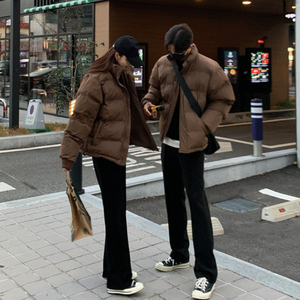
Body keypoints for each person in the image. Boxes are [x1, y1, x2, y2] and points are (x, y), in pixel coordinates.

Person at [141, 24, 235, 299]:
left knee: (198, 205)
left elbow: (224, 99)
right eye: (170, 53)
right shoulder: (162, 63)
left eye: (178, 53)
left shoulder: (209, 68)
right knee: (172, 199)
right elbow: (153, 89)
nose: (174, 57)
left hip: (192, 146)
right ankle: (179, 254)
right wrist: (148, 102)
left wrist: (204, 128)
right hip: (168, 145)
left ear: (189, 47)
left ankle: (206, 274)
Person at [60, 35, 157, 296]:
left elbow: (127, 113)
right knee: (116, 218)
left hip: (117, 153)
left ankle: (112, 268)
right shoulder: (96, 80)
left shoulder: (119, 77)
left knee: (116, 215)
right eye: (129, 60)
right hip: (106, 155)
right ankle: (119, 280)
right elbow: (80, 120)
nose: (132, 66)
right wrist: (67, 158)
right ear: (116, 56)